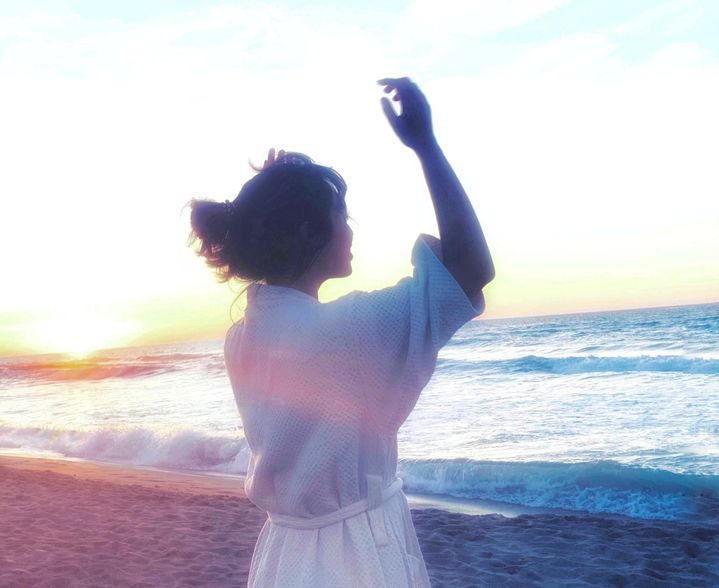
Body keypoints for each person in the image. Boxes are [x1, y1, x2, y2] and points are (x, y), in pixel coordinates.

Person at [187, 76, 494, 588]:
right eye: (341, 216)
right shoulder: (346, 332)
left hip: (286, 554)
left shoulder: (245, 337)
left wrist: (283, 192)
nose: (350, 230)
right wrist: (425, 145)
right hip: (356, 555)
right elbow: (469, 271)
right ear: (310, 233)